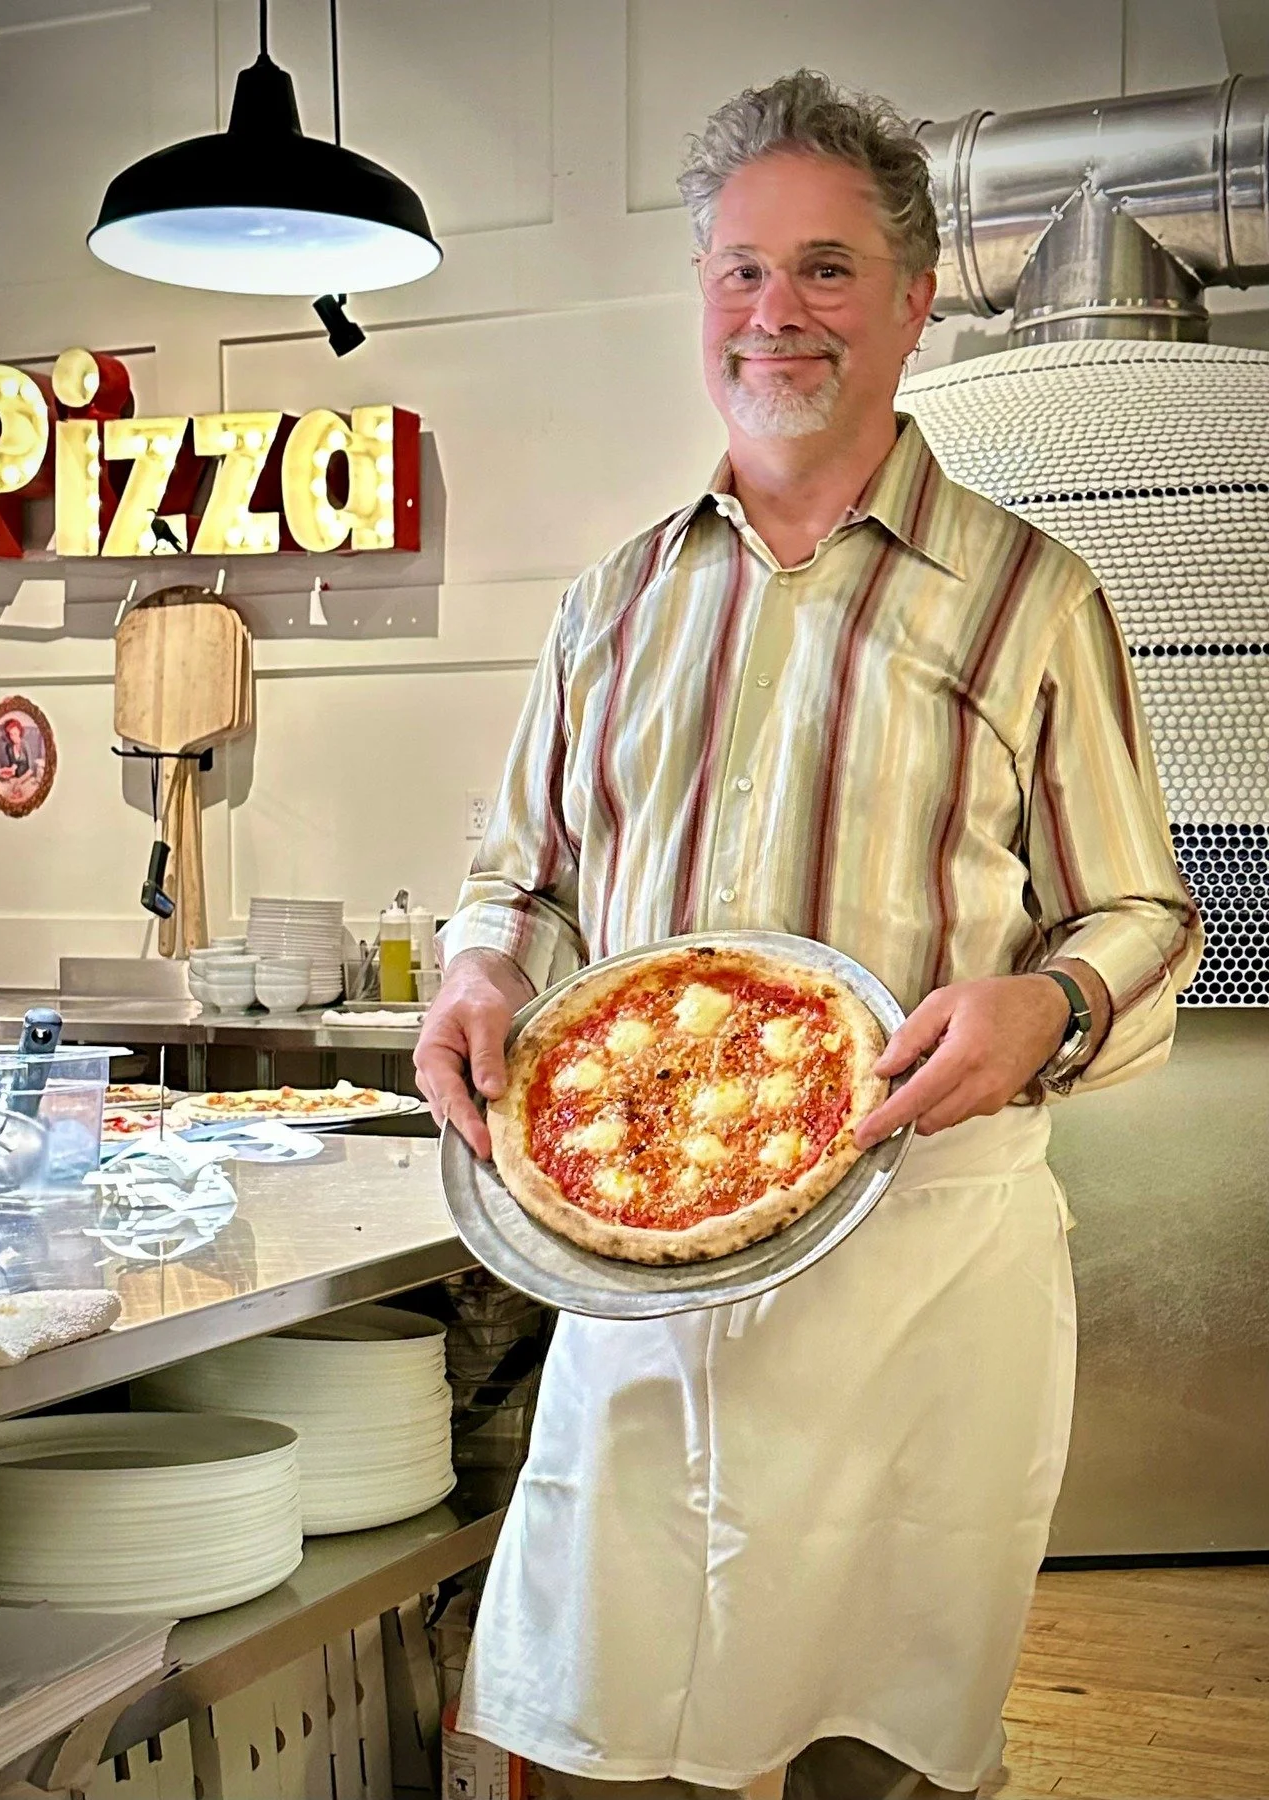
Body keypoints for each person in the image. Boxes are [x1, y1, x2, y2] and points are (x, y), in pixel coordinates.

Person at [416, 71, 1202, 1800]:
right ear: (700, 293)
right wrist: (480, 963)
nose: (778, 315)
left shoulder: (1029, 595)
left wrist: (1049, 1005)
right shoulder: (608, 604)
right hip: (639, 1262)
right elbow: (520, 872)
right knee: (616, 1739)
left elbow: (1143, 909)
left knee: (886, 1759)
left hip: (924, 1258)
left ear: (917, 302)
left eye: (830, 272)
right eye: (743, 271)